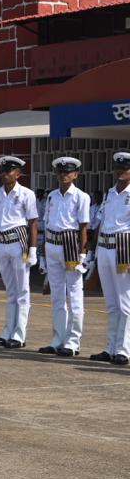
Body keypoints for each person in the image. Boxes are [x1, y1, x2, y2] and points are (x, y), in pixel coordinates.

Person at [39, 156, 90, 356]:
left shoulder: (81, 197)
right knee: (57, 295)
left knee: (75, 294)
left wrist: (83, 254)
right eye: (60, 172)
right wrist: (43, 253)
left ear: (75, 174)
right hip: (52, 243)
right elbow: (47, 222)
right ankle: (58, 338)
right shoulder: (52, 196)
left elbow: (84, 227)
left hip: (70, 245)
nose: (63, 175)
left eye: (68, 172)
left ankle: (73, 341)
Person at [0, 155, 39, 349]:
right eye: (2, 171)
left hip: (19, 241)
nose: (4, 175)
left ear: (18, 174)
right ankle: (7, 331)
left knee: (22, 289)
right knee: (10, 291)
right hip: (1, 241)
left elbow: (32, 222)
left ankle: (19, 334)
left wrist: (33, 250)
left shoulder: (27, 194)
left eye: (8, 171)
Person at [90, 152, 130, 365]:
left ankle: (123, 349)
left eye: (125, 168)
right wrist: (91, 253)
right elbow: (100, 223)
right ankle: (111, 346)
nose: (120, 171)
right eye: (118, 168)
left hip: (123, 248)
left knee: (125, 302)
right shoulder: (109, 194)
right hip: (105, 247)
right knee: (112, 303)